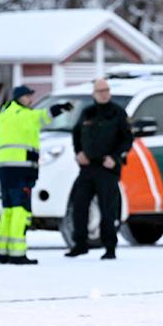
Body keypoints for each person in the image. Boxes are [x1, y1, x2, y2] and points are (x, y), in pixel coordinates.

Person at [0, 86, 72, 264]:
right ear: (19, 98)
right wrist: (60, 108)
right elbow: (42, 117)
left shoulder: (5, 114)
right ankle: (17, 254)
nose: (30, 100)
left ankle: (4, 252)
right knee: (21, 211)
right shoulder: (23, 115)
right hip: (20, 168)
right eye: (28, 96)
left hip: (4, 168)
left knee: (8, 210)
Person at [65, 78, 133, 260]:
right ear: (94, 93)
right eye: (100, 90)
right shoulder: (87, 112)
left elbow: (127, 140)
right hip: (87, 168)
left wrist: (115, 158)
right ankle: (80, 244)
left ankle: (110, 247)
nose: (103, 93)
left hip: (107, 168)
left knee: (107, 209)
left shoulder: (117, 113)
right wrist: (78, 152)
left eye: (106, 90)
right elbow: (76, 135)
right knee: (79, 205)